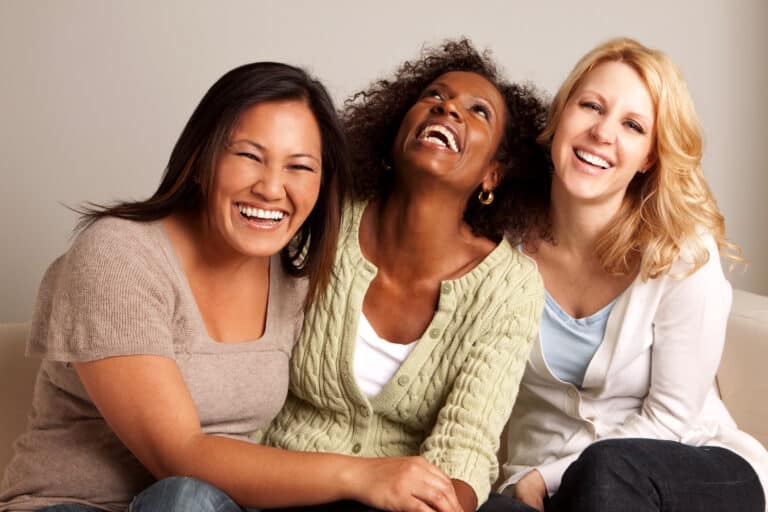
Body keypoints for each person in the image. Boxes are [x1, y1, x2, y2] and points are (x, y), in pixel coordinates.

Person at [0, 62, 463, 512]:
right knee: (180, 498)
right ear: (200, 160)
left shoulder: (294, 279)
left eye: (300, 167)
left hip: (216, 504)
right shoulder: (118, 257)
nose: (272, 188)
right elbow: (178, 454)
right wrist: (361, 475)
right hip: (77, 505)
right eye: (249, 156)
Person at [262, 39, 548, 512]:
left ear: (492, 176)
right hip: (287, 484)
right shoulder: (324, 217)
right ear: (394, 136)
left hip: (404, 502)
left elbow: (467, 445)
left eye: (478, 111)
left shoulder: (509, 287)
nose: (448, 108)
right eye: (435, 96)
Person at [494, 37, 768, 512]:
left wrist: (547, 476)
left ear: (649, 158)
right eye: (591, 106)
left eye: (633, 125)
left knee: (605, 472)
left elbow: (670, 420)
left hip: (694, 465)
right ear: (560, 116)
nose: (603, 132)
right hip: (551, 487)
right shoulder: (500, 246)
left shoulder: (681, 252)